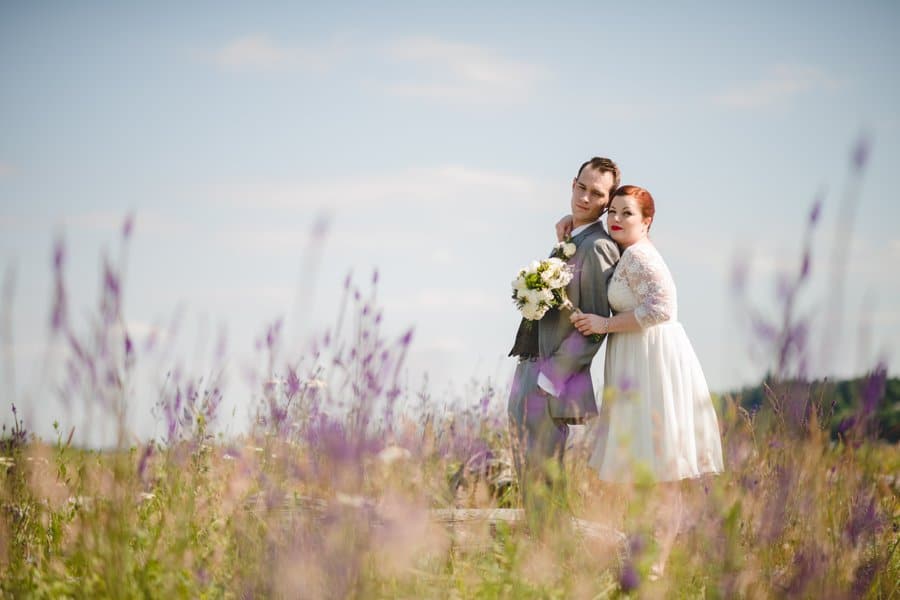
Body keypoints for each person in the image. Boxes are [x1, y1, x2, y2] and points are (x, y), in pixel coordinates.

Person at [568, 185, 724, 574]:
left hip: (653, 360)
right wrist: (569, 223)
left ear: (647, 221)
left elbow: (663, 308)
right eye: (613, 212)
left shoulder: (640, 256)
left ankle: (659, 562)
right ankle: (642, 553)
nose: (617, 220)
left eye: (627, 214)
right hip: (635, 357)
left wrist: (605, 323)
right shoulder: (626, 252)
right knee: (641, 464)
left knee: (662, 469)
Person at [507, 157, 621, 533]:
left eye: (597, 194)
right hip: (529, 362)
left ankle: (554, 563)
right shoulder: (571, 238)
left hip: (550, 378)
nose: (586, 198)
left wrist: (550, 378)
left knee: (544, 483)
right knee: (529, 479)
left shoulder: (598, 246)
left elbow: (594, 324)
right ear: (573, 184)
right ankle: (538, 562)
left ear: (608, 201)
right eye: (581, 187)